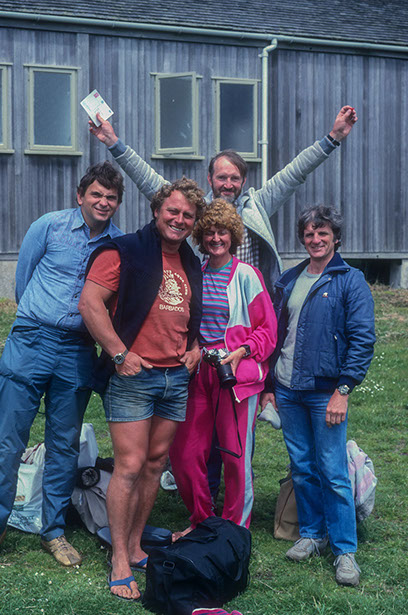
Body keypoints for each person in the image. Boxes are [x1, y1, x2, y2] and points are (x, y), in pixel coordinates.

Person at [78, 177, 205, 601]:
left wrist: (196, 348)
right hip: (135, 376)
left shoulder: (190, 261)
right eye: (173, 211)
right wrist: (118, 352)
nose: (179, 219)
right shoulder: (125, 251)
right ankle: (118, 559)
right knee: (129, 467)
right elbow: (90, 303)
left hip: (174, 379)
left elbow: (190, 317)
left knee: (154, 465)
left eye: (188, 215)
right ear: (156, 211)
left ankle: (135, 546)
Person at [0, 162, 125, 565]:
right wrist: (39, 319)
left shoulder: (118, 246)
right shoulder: (49, 226)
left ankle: (52, 530)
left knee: (64, 442)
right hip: (32, 340)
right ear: (80, 195)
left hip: (76, 351)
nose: (103, 202)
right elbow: (23, 279)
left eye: (111, 197)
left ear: (117, 203)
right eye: (96, 194)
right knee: (9, 437)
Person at [89, 105, 357, 293]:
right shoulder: (193, 209)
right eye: (221, 178)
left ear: (243, 181)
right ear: (210, 179)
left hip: (249, 297)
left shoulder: (257, 205)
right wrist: (114, 143)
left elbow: (294, 172)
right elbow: (146, 178)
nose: (228, 184)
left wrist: (332, 139)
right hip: (204, 297)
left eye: (234, 178)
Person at [261, 205, 376, 586]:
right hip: (289, 390)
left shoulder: (350, 279)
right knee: (302, 466)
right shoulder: (289, 279)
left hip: (325, 391)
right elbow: (278, 338)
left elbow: (363, 339)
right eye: (309, 234)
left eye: (322, 233)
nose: (315, 239)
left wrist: (343, 390)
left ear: (335, 238)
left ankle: (345, 550)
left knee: (333, 471)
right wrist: (270, 388)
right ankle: (312, 534)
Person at [169, 199, 277, 535]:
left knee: (235, 457)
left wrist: (242, 350)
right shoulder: (194, 274)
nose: (216, 238)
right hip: (198, 374)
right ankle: (202, 520)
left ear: (233, 236)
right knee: (185, 455)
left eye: (223, 232)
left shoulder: (247, 275)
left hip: (235, 376)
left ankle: (234, 530)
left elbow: (268, 332)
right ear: (200, 238)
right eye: (210, 233)